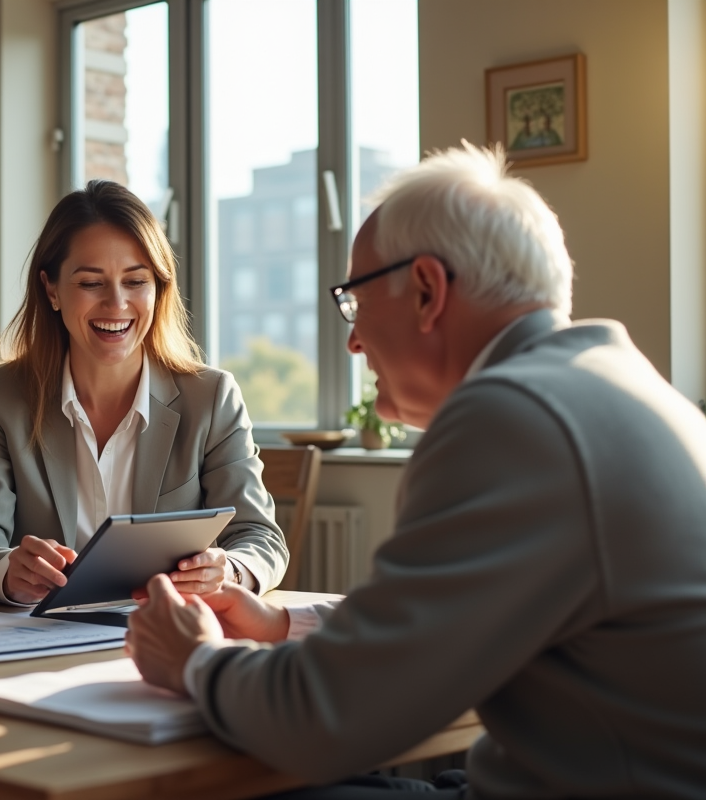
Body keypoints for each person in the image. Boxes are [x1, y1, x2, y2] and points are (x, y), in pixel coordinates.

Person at [126, 144, 706, 798]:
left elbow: (325, 718)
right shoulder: (617, 386)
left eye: (355, 303)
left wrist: (197, 660)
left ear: (427, 290)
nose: (352, 341)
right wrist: (281, 623)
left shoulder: (514, 417)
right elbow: (439, 619)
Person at [0, 180, 287, 606]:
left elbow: (259, 537)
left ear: (158, 290)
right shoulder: (1, 395)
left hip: (166, 632)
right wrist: (7, 569)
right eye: (91, 283)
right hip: (40, 639)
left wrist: (228, 570)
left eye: (136, 281)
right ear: (51, 290)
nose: (117, 304)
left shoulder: (212, 398)